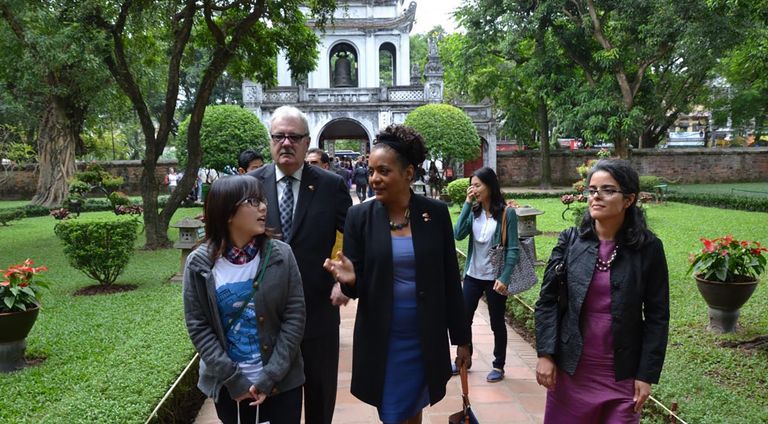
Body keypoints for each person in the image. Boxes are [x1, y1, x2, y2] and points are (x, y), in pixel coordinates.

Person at [323, 124, 471, 424]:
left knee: (413, 410)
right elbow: (357, 287)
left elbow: (449, 281)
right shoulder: (359, 217)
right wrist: (350, 282)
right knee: (393, 413)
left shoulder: (435, 214)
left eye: (384, 171)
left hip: (424, 337)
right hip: (383, 339)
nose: (374, 179)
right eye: (371, 171)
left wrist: (462, 339)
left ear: (408, 173)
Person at [534, 159, 670, 423]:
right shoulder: (570, 241)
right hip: (572, 370)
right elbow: (547, 301)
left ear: (629, 199)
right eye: (592, 190)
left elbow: (658, 316)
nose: (596, 196)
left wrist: (646, 375)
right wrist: (545, 354)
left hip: (622, 374)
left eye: (608, 190)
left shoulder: (648, 248)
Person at [247, 105, 352, 424]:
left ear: (307, 142)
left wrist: (346, 282)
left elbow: (354, 237)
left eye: (294, 137)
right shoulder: (251, 185)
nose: (286, 143)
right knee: (274, 402)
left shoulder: (331, 185)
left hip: (317, 310)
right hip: (266, 317)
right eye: (279, 136)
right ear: (270, 141)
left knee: (320, 396)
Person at [182, 175, 306, 424]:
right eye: (253, 201)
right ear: (228, 212)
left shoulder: (281, 255)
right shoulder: (199, 264)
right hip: (230, 389)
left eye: (263, 200)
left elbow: (295, 316)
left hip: (282, 383)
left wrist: (270, 376)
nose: (263, 207)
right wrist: (233, 380)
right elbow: (198, 326)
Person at [453, 166, 519, 383]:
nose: (473, 189)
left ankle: (498, 365)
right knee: (463, 319)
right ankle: (464, 358)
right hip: (473, 274)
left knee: (496, 322)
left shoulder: (507, 214)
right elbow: (458, 234)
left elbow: (513, 249)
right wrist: (467, 203)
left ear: (490, 186)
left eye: (477, 185)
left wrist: (505, 277)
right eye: (471, 186)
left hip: (494, 278)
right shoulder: (474, 212)